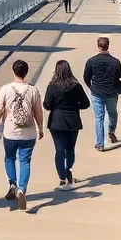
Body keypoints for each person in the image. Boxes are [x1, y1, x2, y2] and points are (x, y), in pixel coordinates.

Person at [0, 59, 44, 210]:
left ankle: (12, 184)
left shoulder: (5, 89)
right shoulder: (33, 90)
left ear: (13, 71)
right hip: (28, 134)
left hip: (10, 132)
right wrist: (40, 128)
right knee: (25, 161)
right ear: (26, 72)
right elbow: (38, 112)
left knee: (9, 158)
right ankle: (22, 188)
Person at [43, 59, 91, 189]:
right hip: (73, 120)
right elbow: (86, 103)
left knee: (59, 150)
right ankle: (68, 168)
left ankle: (62, 177)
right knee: (70, 149)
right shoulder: (76, 86)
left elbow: (46, 105)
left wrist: (55, 106)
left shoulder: (52, 86)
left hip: (57, 121)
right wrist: (75, 106)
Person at [83, 36, 121, 151]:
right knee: (112, 113)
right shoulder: (115, 62)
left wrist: (92, 87)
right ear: (108, 46)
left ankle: (100, 144)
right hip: (112, 92)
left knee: (99, 117)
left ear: (98, 47)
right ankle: (111, 131)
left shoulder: (91, 61)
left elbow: (86, 77)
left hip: (97, 92)